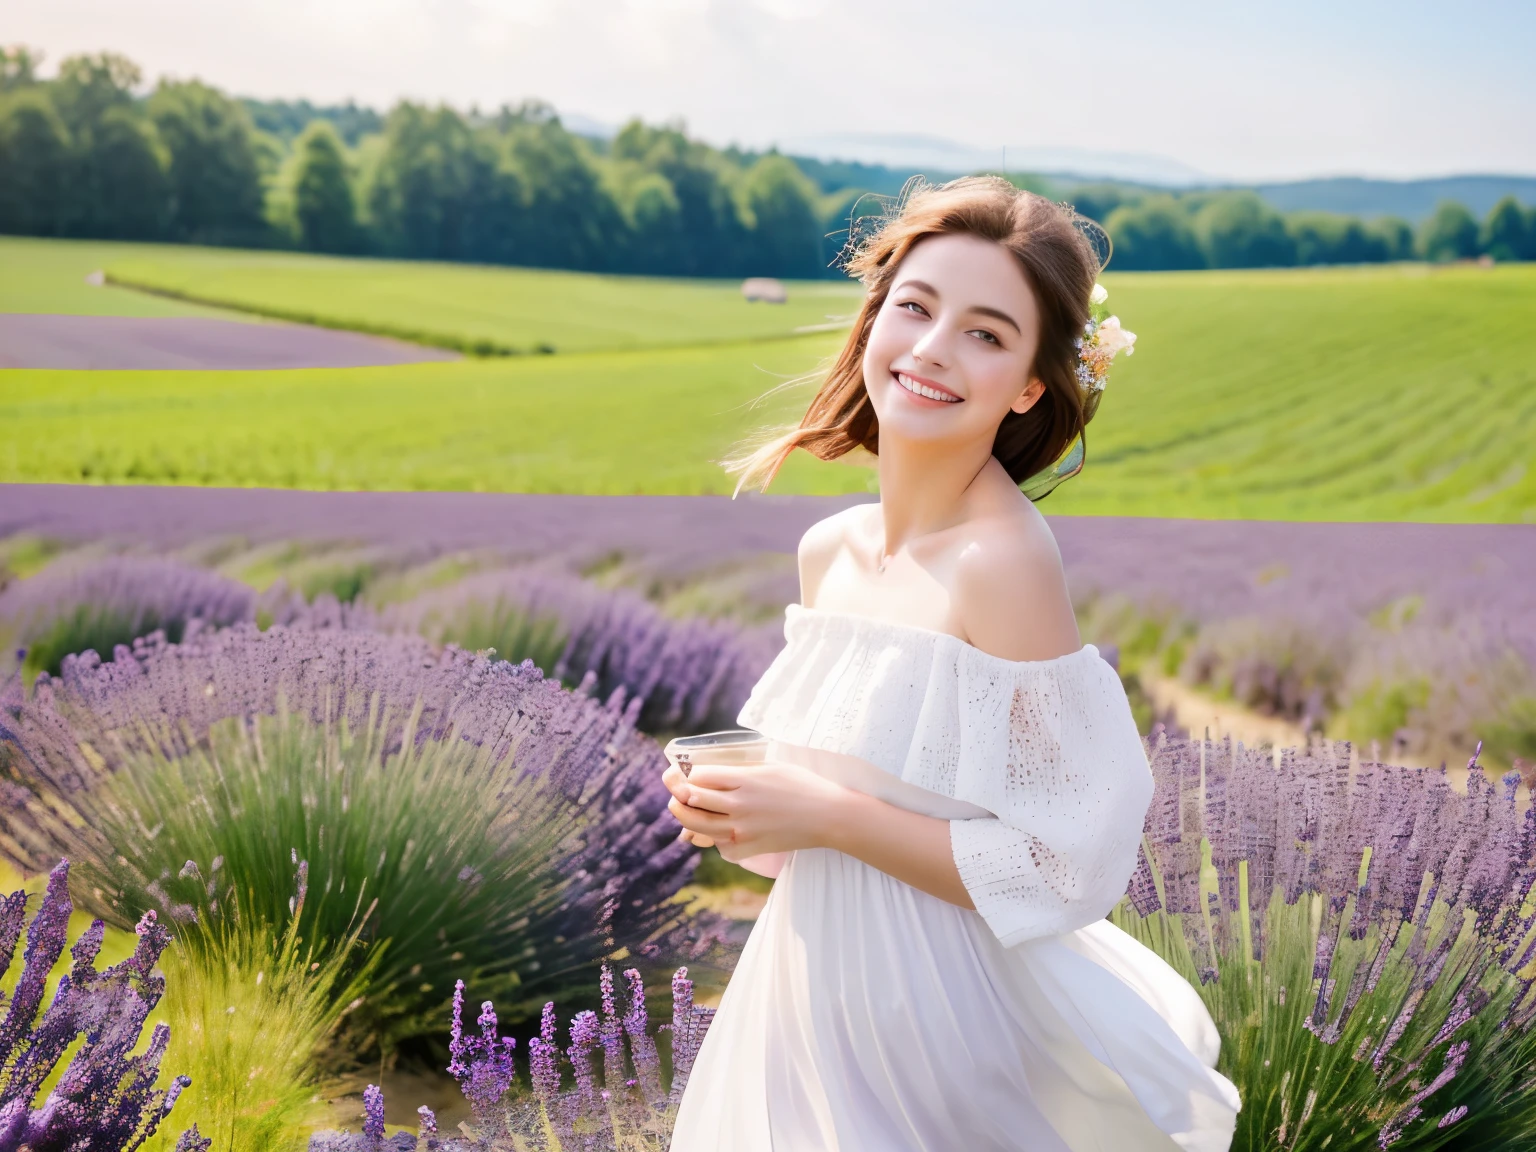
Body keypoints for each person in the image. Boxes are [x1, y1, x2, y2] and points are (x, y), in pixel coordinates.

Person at [663, 176, 1240, 1151]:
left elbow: (1066, 863)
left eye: (985, 331)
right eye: (916, 307)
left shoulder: (1003, 563)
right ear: (874, 317)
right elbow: (854, 795)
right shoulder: (829, 552)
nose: (932, 350)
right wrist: (750, 807)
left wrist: (828, 816)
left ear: (1029, 384)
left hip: (937, 1030)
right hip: (809, 996)